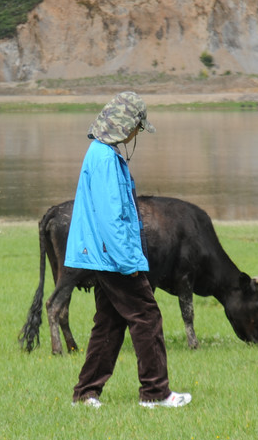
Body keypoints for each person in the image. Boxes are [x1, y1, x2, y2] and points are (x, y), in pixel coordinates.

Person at [65, 91, 191, 409]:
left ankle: (85, 394)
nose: (138, 133)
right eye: (137, 126)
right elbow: (110, 216)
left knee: (109, 323)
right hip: (113, 257)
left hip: (102, 255)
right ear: (124, 125)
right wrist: (127, 261)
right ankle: (155, 393)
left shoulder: (100, 153)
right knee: (147, 317)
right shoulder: (106, 159)